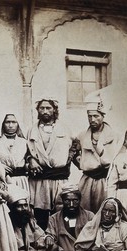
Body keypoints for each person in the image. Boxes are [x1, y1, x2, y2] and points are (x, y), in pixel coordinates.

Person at [27, 97, 75, 230]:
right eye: (42, 108)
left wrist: (69, 158)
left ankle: (61, 240)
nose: (45, 111)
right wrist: (30, 160)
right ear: (38, 110)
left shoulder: (64, 129)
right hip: (40, 179)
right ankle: (42, 239)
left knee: (61, 211)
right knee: (40, 212)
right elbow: (27, 151)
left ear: (54, 110)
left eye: (48, 108)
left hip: (59, 178)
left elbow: (75, 145)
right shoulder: (32, 130)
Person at [74, 88, 120, 213]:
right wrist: (81, 162)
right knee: (85, 211)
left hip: (105, 180)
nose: (92, 120)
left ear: (103, 116)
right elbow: (73, 152)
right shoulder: (82, 135)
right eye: (90, 116)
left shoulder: (114, 135)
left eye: (96, 116)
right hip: (87, 181)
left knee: (105, 211)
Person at [44, 183, 94, 251]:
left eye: (75, 200)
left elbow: (93, 240)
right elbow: (51, 238)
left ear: (80, 200)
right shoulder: (54, 218)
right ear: (62, 200)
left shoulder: (90, 216)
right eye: (67, 200)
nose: (71, 204)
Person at [7, 186, 53, 251]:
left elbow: (40, 236)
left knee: (53, 247)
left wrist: (47, 237)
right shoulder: (7, 225)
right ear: (12, 208)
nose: (23, 209)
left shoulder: (29, 220)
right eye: (19, 206)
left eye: (25, 205)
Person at [0, 114, 29, 193]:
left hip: (21, 179)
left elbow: (29, 159)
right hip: (3, 180)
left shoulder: (24, 142)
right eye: (7, 122)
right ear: (3, 124)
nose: (10, 125)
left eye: (14, 122)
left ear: (18, 124)